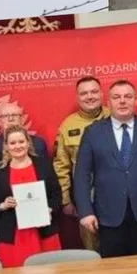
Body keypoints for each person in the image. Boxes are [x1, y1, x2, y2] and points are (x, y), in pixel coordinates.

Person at [72, 80, 137, 258]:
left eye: (128, 97)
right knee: (114, 271)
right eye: (116, 97)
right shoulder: (93, 132)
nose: (122, 101)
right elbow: (81, 175)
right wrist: (85, 211)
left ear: (136, 101)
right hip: (108, 217)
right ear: (108, 102)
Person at [0, 125, 62, 268]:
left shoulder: (44, 165)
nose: (17, 146)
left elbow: (56, 194)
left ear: (28, 142)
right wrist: (2, 205)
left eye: (21, 141)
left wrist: (49, 209)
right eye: (12, 143)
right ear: (6, 146)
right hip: (12, 236)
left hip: (44, 233)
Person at [52, 76, 109, 253]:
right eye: (84, 93)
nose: (89, 96)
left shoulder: (115, 116)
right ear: (77, 97)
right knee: (93, 249)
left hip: (119, 193)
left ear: (101, 94)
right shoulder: (67, 126)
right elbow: (60, 166)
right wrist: (66, 200)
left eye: (93, 92)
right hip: (86, 198)